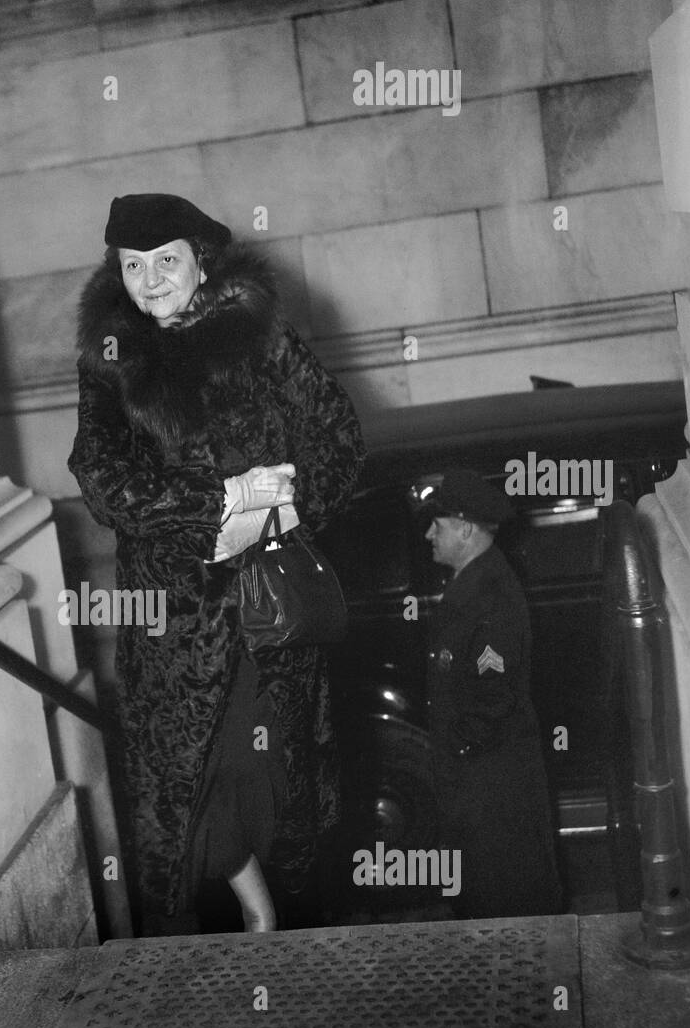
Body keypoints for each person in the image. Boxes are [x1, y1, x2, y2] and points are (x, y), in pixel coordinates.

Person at [68, 193, 365, 935]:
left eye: (165, 261)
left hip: (273, 608)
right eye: (132, 266)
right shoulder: (112, 359)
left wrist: (274, 510)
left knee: (279, 782)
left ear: (201, 259)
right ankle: (258, 917)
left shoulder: (258, 335)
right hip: (177, 616)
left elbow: (336, 439)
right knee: (198, 782)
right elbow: (103, 477)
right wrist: (220, 500)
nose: (150, 281)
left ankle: (288, 927)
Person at [422, 470, 562, 919]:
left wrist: (460, 747)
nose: (429, 533)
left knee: (503, 894)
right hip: (475, 776)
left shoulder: (492, 593)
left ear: (464, 529)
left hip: (492, 781)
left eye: (437, 525)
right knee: (480, 890)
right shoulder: (471, 583)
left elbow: (493, 691)